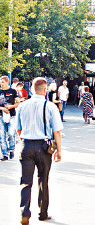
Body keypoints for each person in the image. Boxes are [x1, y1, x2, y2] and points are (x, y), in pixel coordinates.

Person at [15, 77, 63, 225]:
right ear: (45, 89)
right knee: (43, 180)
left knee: (25, 181)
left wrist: (25, 141)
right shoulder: (50, 107)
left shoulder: (22, 106)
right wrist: (59, 151)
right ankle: (42, 214)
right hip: (44, 148)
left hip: (27, 146)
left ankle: (24, 214)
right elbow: (57, 132)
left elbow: (18, 129)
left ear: (32, 90)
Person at [0, 76, 20, 161]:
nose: (1, 84)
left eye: (3, 82)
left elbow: (18, 102)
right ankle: (4, 154)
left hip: (11, 115)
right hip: (1, 115)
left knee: (11, 133)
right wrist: (3, 109)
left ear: (7, 82)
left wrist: (11, 106)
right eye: (0, 82)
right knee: (2, 135)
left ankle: (11, 149)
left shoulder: (13, 91)